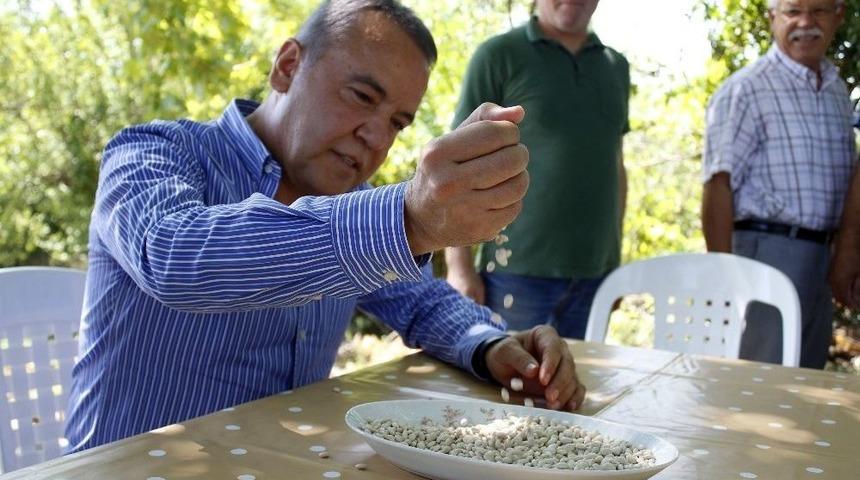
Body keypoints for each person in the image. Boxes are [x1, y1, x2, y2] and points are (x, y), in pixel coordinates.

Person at [65, 0, 586, 452]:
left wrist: (493, 346)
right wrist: (407, 219)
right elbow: (173, 256)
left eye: (398, 123)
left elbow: (421, 300)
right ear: (288, 66)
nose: (375, 138)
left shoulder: (348, 202)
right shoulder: (152, 152)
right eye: (362, 97)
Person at [445, 0, 629, 339]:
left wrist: (614, 266)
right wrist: (459, 268)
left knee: (577, 387)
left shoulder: (615, 65)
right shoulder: (498, 54)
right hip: (513, 269)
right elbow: (458, 159)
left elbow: (615, 163)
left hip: (594, 275)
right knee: (505, 385)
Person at [702, 0, 855, 368]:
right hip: (766, 252)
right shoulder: (747, 88)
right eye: (793, 11)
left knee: (806, 379)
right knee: (758, 375)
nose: (805, 22)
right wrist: (725, 276)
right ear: (773, 18)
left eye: (818, 11)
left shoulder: (838, 93)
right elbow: (717, 184)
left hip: (823, 257)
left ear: (838, 16)